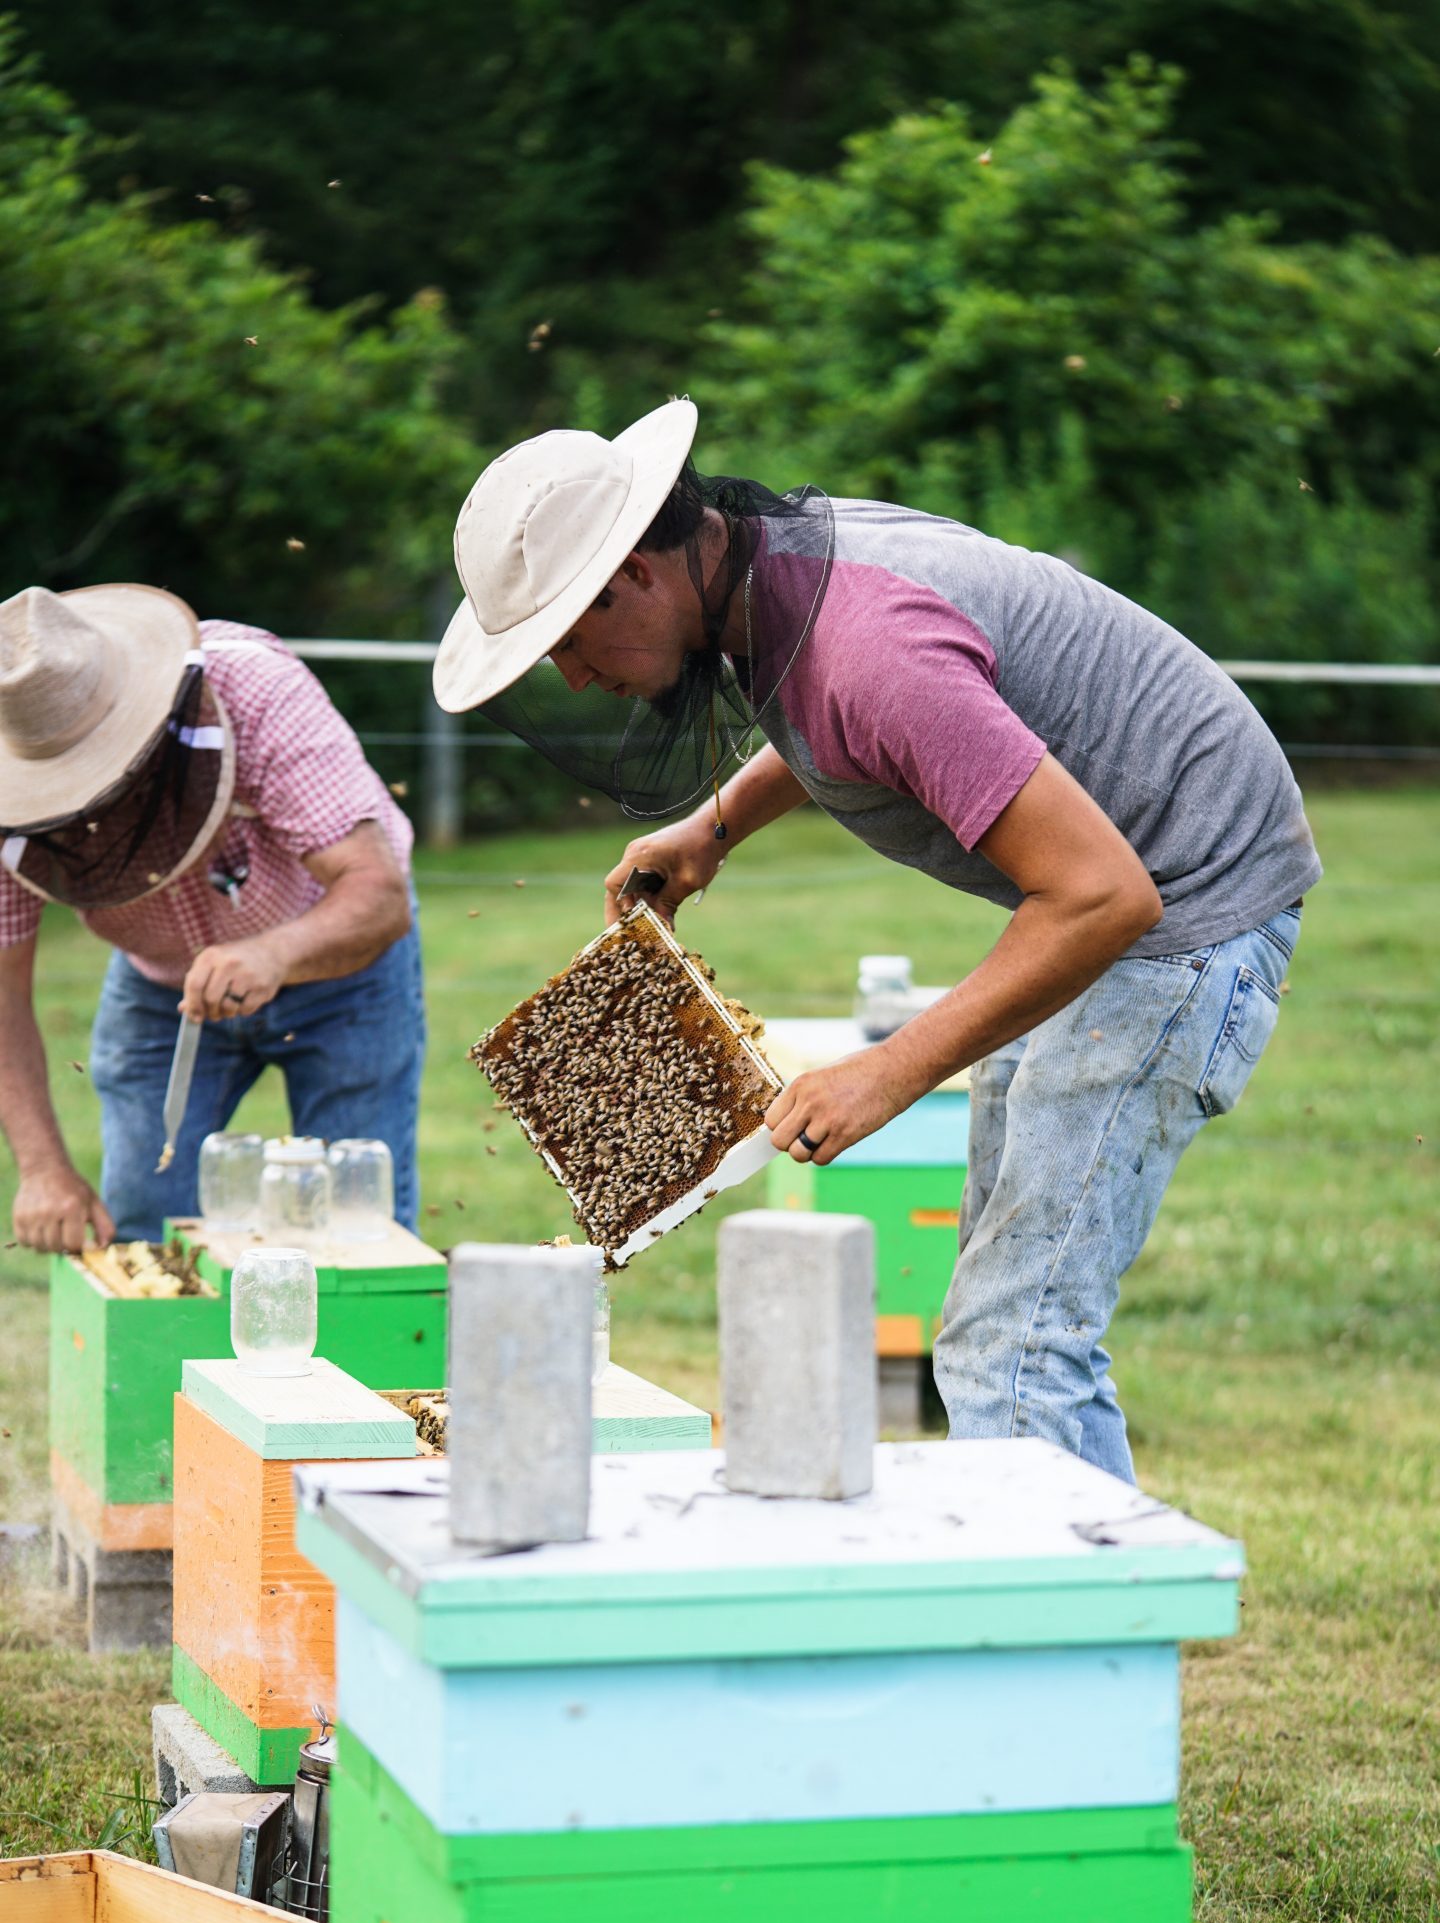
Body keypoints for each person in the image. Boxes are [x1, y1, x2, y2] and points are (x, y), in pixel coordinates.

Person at [433, 397, 1320, 1482]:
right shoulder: (772, 580)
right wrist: (719, 824)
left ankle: (1056, 1645)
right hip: (1139, 886)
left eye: (570, 640)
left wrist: (888, 1072)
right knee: (997, 1322)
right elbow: (840, 717)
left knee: (1017, 1345)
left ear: (636, 576)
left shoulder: (869, 644)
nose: (574, 677)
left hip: (1185, 909)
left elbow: (1100, 897)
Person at [0, 582, 424, 1249]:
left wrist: (273, 954)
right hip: (157, 987)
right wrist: (43, 1168)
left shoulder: (255, 693)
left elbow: (376, 894)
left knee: (360, 1227)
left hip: (339, 962)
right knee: (146, 1226)